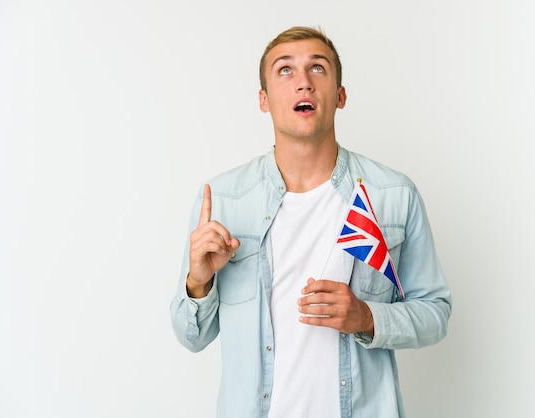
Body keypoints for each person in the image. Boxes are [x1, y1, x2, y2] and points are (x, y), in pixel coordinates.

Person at [170, 26, 452, 418]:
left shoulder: (393, 194)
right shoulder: (221, 200)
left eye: (317, 68)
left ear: (340, 95)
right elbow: (191, 336)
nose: (303, 82)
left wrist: (367, 317)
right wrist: (198, 283)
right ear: (263, 99)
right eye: (285, 70)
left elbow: (435, 313)